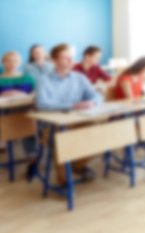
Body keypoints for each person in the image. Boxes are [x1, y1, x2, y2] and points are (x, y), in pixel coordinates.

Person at [35, 43, 104, 185]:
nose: (70, 61)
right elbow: (41, 104)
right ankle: (64, 179)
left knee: (101, 131)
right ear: (54, 60)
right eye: (65, 58)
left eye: (71, 58)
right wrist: (72, 106)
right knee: (62, 137)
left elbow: (96, 95)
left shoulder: (79, 78)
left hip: (77, 120)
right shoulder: (44, 80)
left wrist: (93, 103)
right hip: (52, 125)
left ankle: (77, 165)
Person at [0, 51, 38, 178]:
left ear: (20, 63)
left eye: (15, 61)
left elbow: (36, 93)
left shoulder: (28, 78)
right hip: (3, 114)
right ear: (3, 62)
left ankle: (32, 159)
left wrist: (23, 95)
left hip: (24, 112)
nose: (12, 64)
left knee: (28, 123)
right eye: (8, 61)